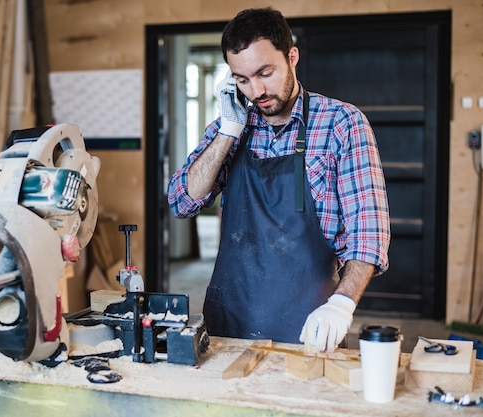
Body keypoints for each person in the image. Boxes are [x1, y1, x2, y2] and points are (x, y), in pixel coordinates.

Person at [167, 7, 390, 352]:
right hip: (228, 324)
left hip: (309, 326)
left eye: (265, 72)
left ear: (292, 57)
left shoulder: (341, 124)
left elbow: (369, 232)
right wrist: (229, 131)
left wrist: (341, 304)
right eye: (241, 79)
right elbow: (181, 201)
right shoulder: (231, 126)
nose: (256, 90)